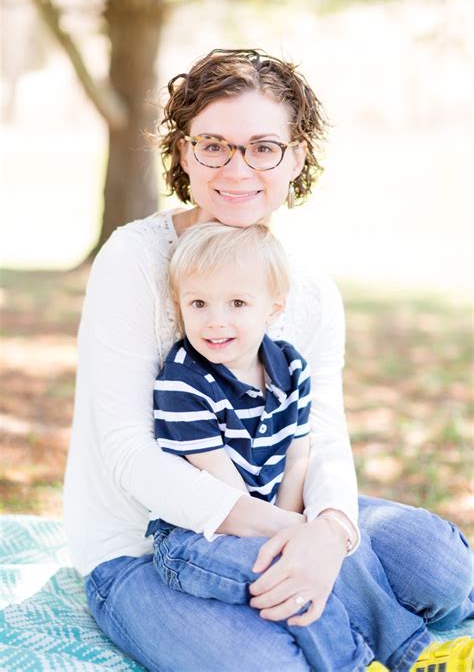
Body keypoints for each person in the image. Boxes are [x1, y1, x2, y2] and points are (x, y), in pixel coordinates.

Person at [63, 49, 473, 672]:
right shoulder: (132, 260)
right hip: (144, 548)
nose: (237, 168)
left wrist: (329, 531)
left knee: (443, 569)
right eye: (214, 145)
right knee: (268, 663)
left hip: (280, 507)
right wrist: (290, 538)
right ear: (182, 152)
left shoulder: (308, 291)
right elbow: (127, 452)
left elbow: (324, 437)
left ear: (297, 156)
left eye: (263, 147)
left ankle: (352, 614)